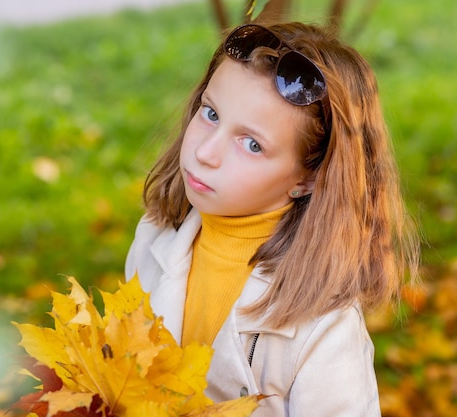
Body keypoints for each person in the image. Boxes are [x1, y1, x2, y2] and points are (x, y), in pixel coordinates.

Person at [125, 21, 419, 416]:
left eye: (251, 144)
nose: (206, 152)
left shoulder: (324, 329)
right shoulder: (153, 239)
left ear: (308, 177)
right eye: (210, 113)